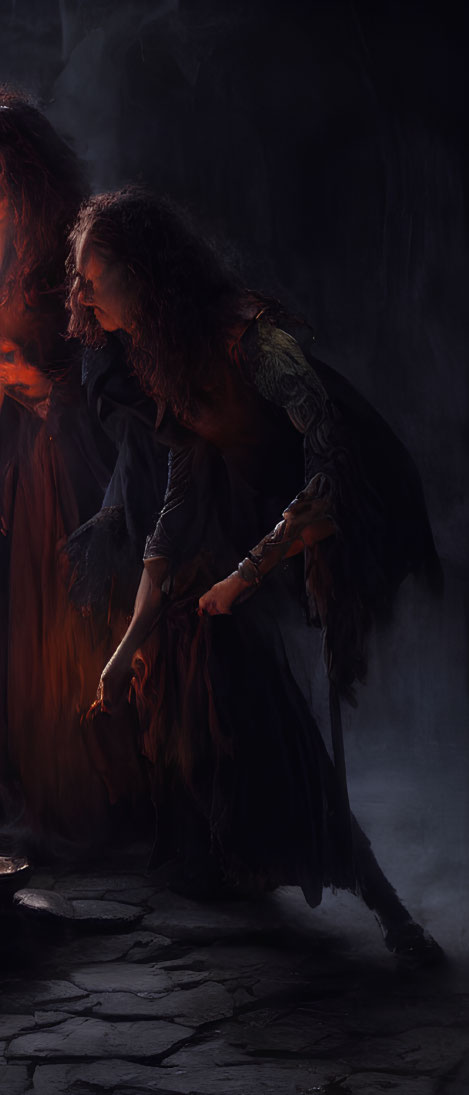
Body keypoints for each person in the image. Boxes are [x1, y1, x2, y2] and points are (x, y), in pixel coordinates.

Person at [73, 188, 442, 964]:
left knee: (256, 701)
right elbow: (176, 500)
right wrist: (125, 644)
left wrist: (247, 573)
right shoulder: (157, 351)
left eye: (94, 275)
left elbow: (328, 460)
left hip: (321, 521)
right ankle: (243, 850)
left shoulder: (252, 340)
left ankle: (382, 902)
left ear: (143, 274)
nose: (81, 293)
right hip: (238, 523)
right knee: (205, 675)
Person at [0, 88, 137, 839]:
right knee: (13, 633)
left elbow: (112, 358)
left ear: (14, 165)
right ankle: (38, 796)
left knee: (68, 626)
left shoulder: (58, 249)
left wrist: (47, 392)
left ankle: (102, 799)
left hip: (65, 455)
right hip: (14, 457)